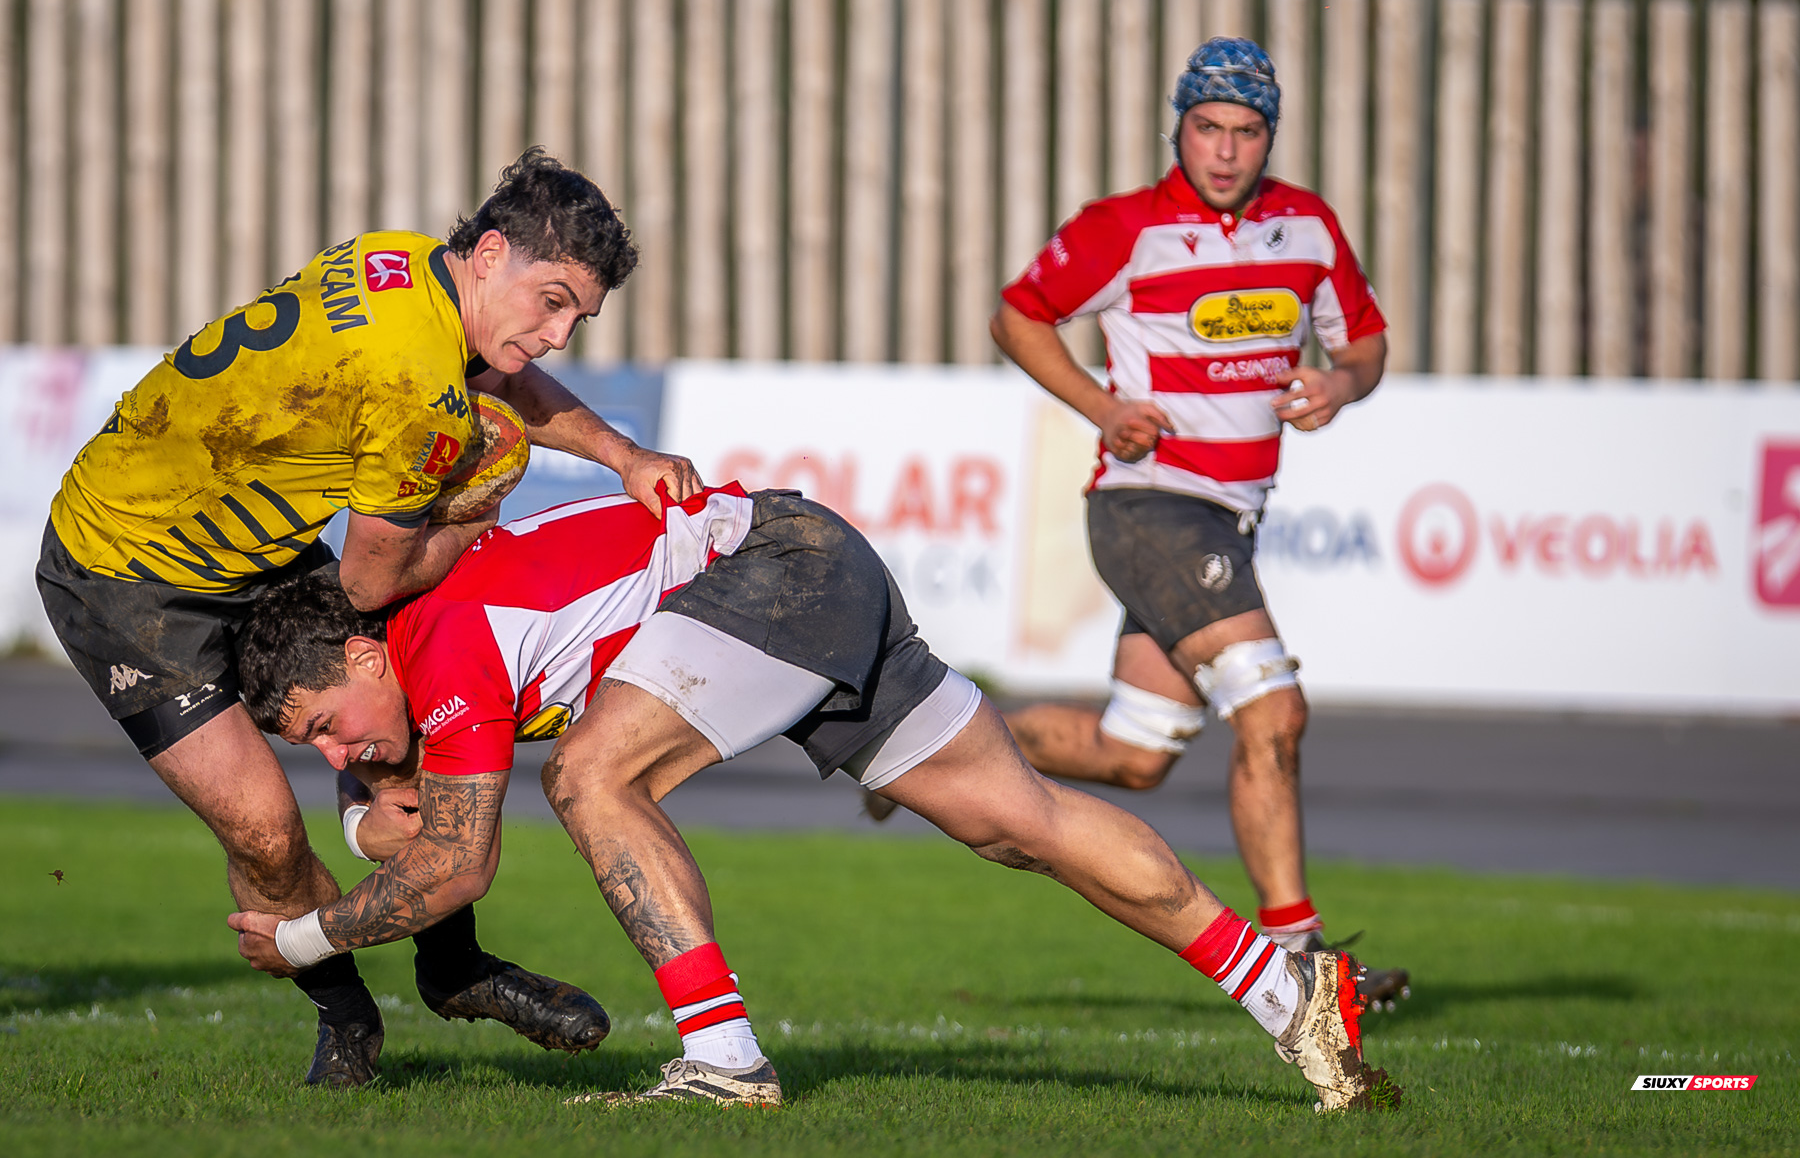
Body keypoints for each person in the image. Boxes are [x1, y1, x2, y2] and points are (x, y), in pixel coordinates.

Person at [226, 486, 1400, 1113]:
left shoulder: (440, 647)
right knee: (1020, 822)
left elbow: (454, 865)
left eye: (325, 726)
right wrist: (363, 805)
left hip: (772, 574)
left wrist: (297, 935)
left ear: (364, 656)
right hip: (809, 559)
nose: (338, 750)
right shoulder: (404, 670)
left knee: (591, 772)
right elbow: (396, 813)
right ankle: (1288, 993)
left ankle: (724, 1059)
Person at [35, 149, 700, 1085]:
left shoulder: (407, 262)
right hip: (121, 567)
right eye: (550, 300)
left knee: (408, 731)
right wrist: (474, 517)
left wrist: (622, 457)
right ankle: (346, 1017)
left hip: (244, 539)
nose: (557, 334)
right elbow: (369, 586)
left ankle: (452, 969)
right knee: (265, 828)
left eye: (576, 316)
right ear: (493, 252)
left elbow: (500, 382)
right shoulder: (414, 390)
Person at [979, 38, 1407, 1004]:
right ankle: (1303, 958)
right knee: (1274, 707)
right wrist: (1101, 408)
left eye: (1245, 132)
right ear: (1179, 127)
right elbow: (1017, 316)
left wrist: (1340, 380)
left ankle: (946, 745)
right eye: (1207, 128)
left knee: (1133, 756)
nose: (1224, 150)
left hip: (1231, 518)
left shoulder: (1306, 227)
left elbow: (1368, 342)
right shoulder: (1125, 228)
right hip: (1151, 505)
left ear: (1269, 138)